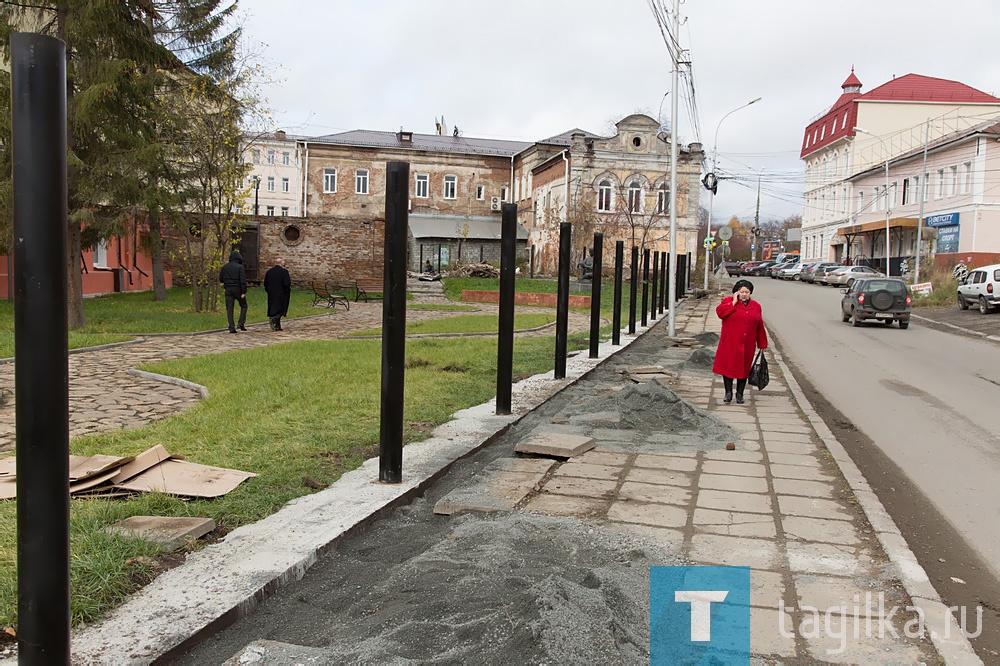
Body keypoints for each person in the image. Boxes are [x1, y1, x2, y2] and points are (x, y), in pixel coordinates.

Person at [712, 278, 768, 404]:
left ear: (750, 293)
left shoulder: (756, 306)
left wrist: (762, 343)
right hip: (730, 342)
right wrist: (733, 302)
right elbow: (721, 313)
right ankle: (728, 393)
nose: (744, 294)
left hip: (747, 343)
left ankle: (740, 394)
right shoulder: (728, 302)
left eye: (747, 292)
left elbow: (759, 325)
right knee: (728, 368)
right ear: (736, 292)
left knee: (744, 369)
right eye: (741, 292)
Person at [219, 249, 248, 333]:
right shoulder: (240, 267)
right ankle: (241, 323)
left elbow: (221, 279)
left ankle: (231, 327)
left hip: (228, 289)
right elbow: (242, 280)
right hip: (238, 289)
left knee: (229, 309)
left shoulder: (225, 267)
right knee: (244, 305)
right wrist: (243, 292)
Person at [263, 257, 291, 331]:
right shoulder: (284, 272)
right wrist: (287, 291)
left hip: (272, 293)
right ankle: (274, 319)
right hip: (282, 293)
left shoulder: (269, 272)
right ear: (281, 263)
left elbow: (265, 283)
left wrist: (268, 290)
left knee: (273, 307)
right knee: (281, 308)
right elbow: (287, 283)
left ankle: (277, 326)